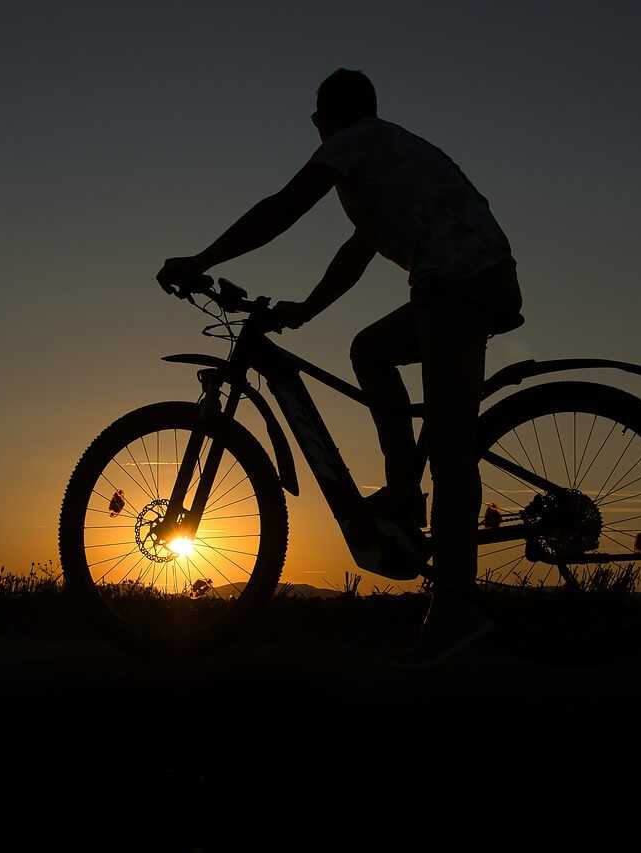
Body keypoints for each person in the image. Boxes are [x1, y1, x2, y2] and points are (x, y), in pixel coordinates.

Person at [157, 68, 522, 663]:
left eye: (317, 121)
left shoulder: (354, 143)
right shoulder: (383, 159)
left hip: (460, 286)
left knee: (453, 452)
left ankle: (455, 609)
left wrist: (202, 259)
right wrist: (305, 309)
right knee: (369, 350)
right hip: (466, 280)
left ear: (326, 119)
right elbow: (356, 253)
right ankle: (405, 493)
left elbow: (282, 208)